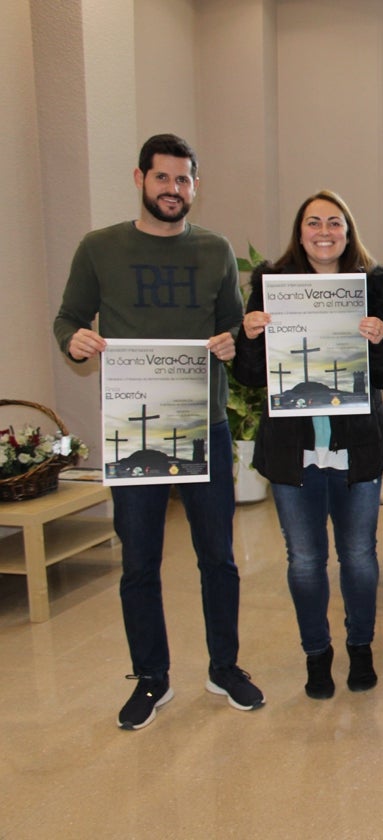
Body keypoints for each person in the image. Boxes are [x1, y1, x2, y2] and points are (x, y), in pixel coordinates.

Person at [52, 133, 264, 729]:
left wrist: (232, 340)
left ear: (195, 185)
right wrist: (73, 339)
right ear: (140, 179)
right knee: (140, 561)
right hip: (133, 426)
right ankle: (152, 677)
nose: (174, 190)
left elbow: (231, 329)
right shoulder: (100, 249)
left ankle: (225, 667)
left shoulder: (216, 250)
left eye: (184, 180)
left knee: (217, 557)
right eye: (163, 178)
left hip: (208, 425)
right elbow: (69, 317)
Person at [232, 190, 383, 699]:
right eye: (314, 222)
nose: (325, 231)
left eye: (335, 222)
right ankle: (317, 654)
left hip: (357, 448)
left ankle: (360, 647)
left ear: (348, 232)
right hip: (294, 449)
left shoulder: (374, 288)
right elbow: (248, 376)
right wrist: (249, 335)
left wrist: (380, 341)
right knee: (305, 560)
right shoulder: (271, 286)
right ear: (300, 231)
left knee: (358, 556)